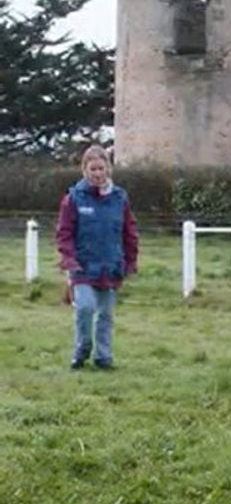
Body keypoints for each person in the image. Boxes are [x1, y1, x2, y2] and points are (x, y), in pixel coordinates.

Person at [56, 144, 139, 370]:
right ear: (85, 170)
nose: (98, 174)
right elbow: (64, 232)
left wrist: (130, 260)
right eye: (93, 169)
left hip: (111, 265)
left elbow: (129, 231)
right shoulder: (73, 199)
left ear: (108, 169)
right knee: (85, 307)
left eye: (101, 168)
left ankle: (103, 357)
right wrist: (68, 258)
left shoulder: (120, 198)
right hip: (82, 266)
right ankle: (82, 349)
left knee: (105, 315)